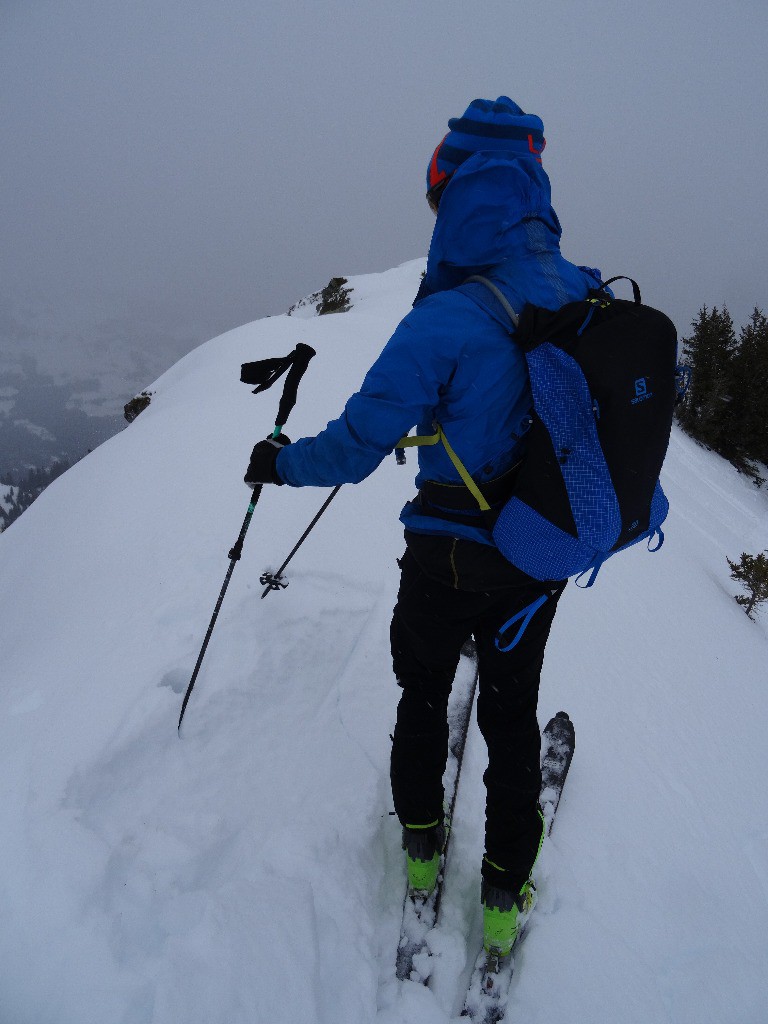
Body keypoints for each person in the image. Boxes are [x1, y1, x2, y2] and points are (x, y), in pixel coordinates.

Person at [244, 96, 603, 959]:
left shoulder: (444, 319)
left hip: (442, 553)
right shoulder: (583, 292)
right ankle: (504, 901)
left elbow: (359, 443)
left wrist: (277, 462)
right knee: (512, 723)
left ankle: (418, 850)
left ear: (456, 195)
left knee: (421, 696)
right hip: (535, 555)